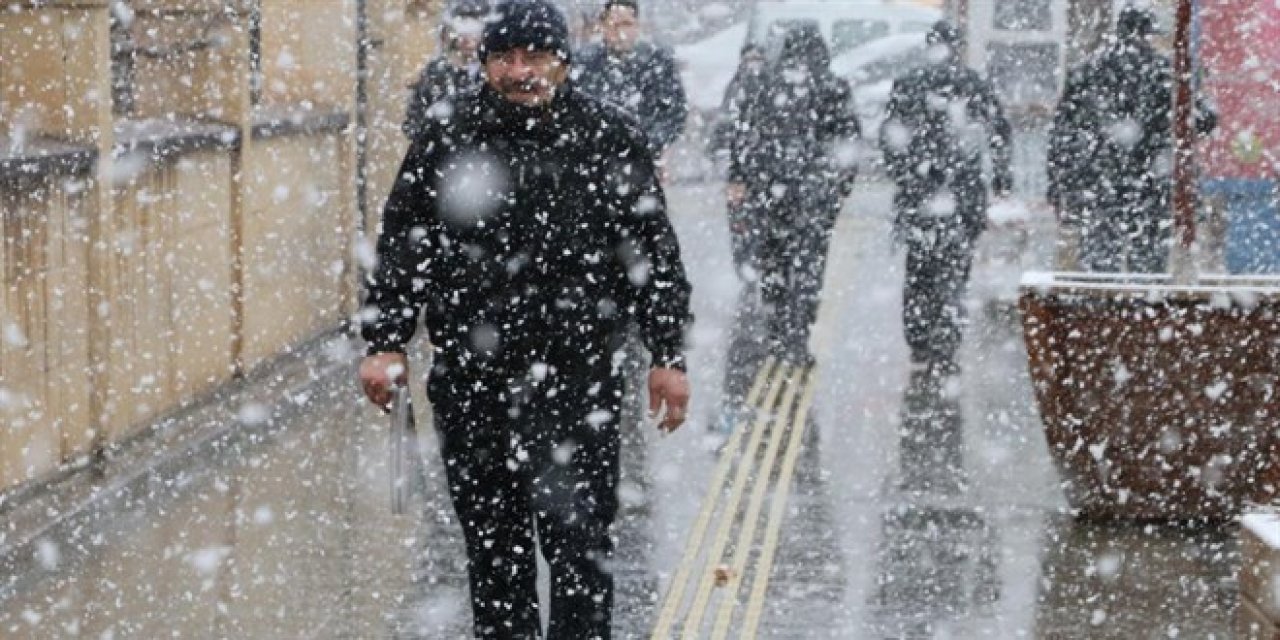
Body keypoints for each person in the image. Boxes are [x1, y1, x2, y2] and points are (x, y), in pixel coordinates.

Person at [357, 1, 693, 637]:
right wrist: (385, 340)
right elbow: (405, 241)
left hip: (579, 382)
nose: (520, 71)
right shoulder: (447, 136)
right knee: (494, 556)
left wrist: (668, 355)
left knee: (581, 556)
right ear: (484, 64)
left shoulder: (608, 136)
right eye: (504, 58)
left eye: (535, 56)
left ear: (563, 61)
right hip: (474, 384)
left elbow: (653, 251)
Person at [879, 20, 1013, 375]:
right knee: (955, 270)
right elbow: (999, 130)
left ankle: (920, 338)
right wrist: (1001, 176)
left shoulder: (908, 84)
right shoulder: (972, 83)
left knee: (919, 270)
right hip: (963, 193)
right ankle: (947, 340)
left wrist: (910, 174)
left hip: (920, 196)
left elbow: (891, 140)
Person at [725, 24, 860, 364]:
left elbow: (743, 138)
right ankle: (798, 335)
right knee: (809, 267)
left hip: (769, 193)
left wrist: (741, 178)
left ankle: (775, 328)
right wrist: (839, 189)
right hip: (814, 197)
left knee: (772, 260)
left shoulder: (763, 86)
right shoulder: (833, 87)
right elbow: (848, 145)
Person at [1047, 5, 1216, 273]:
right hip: (1152, 186)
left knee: (1099, 269)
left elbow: (1061, 132)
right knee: (1149, 270)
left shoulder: (1087, 70)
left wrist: (1057, 183)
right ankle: (1143, 307)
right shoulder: (1166, 72)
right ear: (1148, 34)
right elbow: (1204, 120)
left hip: (1099, 184)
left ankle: (1100, 312)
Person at [573, 0, 688, 158]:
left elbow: (674, 113)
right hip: (592, 158)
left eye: (626, 24)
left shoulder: (657, 62)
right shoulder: (583, 64)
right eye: (614, 24)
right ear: (603, 27)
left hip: (643, 158)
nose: (621, 32)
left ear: (637, 26)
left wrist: (648, 143)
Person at [710, 44, 768, 276]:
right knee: (740, 228)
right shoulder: (734, 90)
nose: (753, 64)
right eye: (749, 59)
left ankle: (757, 269)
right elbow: (722, 131)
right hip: (740, 174)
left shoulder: (770, 88)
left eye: (758, 59)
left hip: (764, 172)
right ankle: (745, 272)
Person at [401, 1, 489, 140]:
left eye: (473, 31)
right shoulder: (436, 73)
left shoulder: (493, 73)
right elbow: (413, 124)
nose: (467, 39)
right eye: (461, 30)